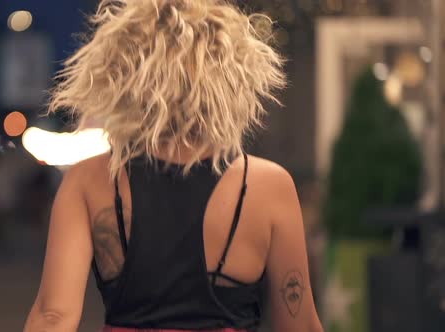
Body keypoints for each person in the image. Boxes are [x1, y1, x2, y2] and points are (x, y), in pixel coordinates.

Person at [23, 0, 323, 331]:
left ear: (123, 75)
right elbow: (300, 324)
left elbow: (54, 316)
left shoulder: (91, 180)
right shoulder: (267, 185)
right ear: (231, 78)